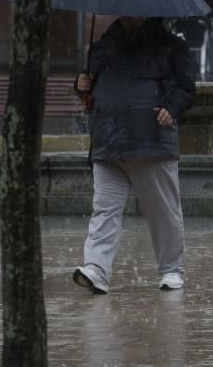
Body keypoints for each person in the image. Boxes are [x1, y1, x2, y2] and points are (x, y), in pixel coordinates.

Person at [72, 16, 196, 295]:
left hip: (151, 142)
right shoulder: (102, 47)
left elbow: (186, 87)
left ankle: (171, 269)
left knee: (163, 211)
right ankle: (96, 268)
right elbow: (90, 86)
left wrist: (171, 106)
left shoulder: (171, 46)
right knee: (104, 209)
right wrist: (79, 84)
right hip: (107, 141)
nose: (130, 14)